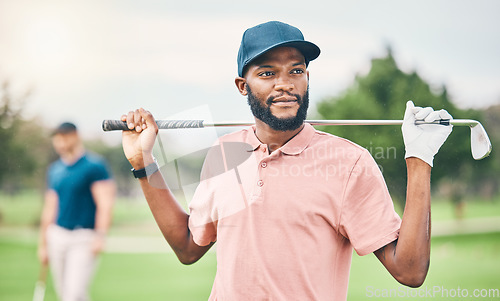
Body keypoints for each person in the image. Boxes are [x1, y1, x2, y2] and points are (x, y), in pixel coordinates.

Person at [120, 21, 453, 300]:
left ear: (308, 79)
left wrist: (419, 159)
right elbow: (189, 248)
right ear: (242, 85)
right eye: (267, 73)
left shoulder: (349, 162)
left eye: (296, 71)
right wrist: (143, 160)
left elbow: (409, 271)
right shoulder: (225, 152)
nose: (285, 84)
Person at [38, 122, 116, 301]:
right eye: (57, 139)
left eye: (64, 137)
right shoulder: (55, 170)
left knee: (74, 294)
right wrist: (43, 244)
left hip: (83, 237)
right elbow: (50, 207)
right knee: (64, 294)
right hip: (57, 236)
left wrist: (101, 235)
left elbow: (105, 204)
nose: (60, 142)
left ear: (76, 136)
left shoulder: (94, 166)